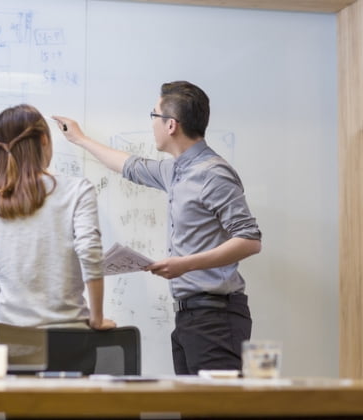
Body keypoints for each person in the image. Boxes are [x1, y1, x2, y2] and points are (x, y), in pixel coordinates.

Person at [53, 81, 262, 375]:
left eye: (154, 116)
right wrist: (80, 139)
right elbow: (130, 166)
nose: (151, 123)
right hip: (190, 317)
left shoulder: (213, 173)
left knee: (218, 411)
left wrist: (184, 265)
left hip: (216, 318)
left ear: (171, 125)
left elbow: (250, 240)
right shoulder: (176, 170)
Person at [0, 104, 116, 333]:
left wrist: (3, 320)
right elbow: (90, 251)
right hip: (69, 333)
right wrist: (97, 318)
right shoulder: (77, 190)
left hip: (10, 335)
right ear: (43, 139)